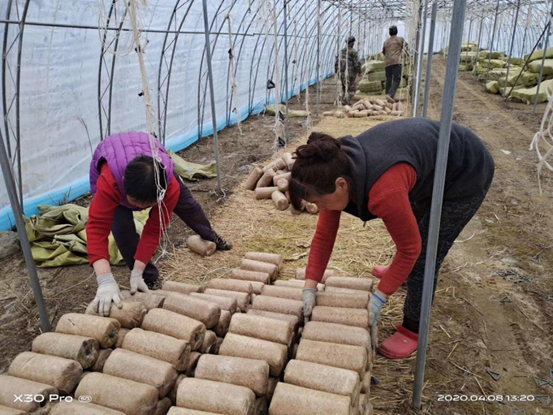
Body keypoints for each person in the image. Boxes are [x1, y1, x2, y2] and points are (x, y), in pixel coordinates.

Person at [291, 119, 494, 359]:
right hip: (426, 167)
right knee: (414, 232)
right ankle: (401, 273)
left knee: (424, 256)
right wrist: (310, 285)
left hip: (464, 171)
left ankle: (413, 329)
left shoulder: (383, 189)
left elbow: (411, 249)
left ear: (341, 185)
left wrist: (380, 297)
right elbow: (324, 237)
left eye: (317, 202)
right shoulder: (334, 170)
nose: (318, 208)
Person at [87, 131, 232, 316]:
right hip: (112, 156)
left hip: (151, 164)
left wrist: (137, 269)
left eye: (147, 205)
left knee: (189, 206)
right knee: (122, 230)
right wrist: (105, 279)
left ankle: (211, 236)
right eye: (136, 203)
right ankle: (148, 277)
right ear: (124, 188)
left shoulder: (168, 185)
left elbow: (154, 229)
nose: (140, 209)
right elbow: (97, 228)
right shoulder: (109, 183)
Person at [335, 36, 362, 105]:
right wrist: (359, 71)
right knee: (351, 89)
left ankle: (344, 101)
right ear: (352, 43)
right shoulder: (353, 52)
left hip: (342, 73)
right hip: (350, 73)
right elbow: (357, 63)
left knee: (344, 87)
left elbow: (336, 62)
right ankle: (345, 102)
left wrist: (336, 72)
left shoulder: (341, 51)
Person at [382, 25, 405, 101]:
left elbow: (383, 52)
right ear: (397, 31)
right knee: (397, 79)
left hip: (387, 62)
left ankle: (387, 95)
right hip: (396, 61)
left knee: (389, 79)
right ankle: (390, 94)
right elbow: (406, 48)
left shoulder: (386, 42)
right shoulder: (400, 39)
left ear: (389, 33)